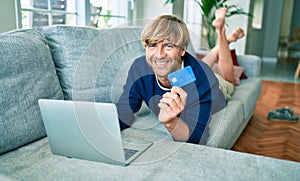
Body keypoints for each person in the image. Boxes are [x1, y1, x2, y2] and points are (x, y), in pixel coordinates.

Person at [116, 14, 226, 145]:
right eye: (152, 45)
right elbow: (124, 112)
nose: (159, 55)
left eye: (168, 46)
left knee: (229, 78)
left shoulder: (204, 78)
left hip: (219, 90)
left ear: (182, 50)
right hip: (192, 68)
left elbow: (197, 137)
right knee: (202, 63)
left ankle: (223, 37)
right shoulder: (139, 68)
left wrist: (170, 123)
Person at [202, 7, 245, 100]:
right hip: (207, 82)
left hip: (197, 81)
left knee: (201, 67)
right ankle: (221, 33)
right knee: (229, 82)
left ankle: (224, 35)